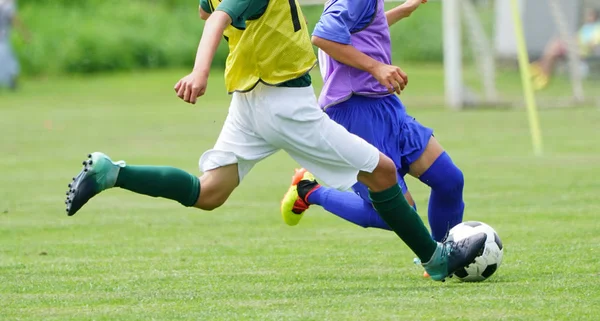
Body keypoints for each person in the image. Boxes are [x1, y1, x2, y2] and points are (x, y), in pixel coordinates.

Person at [64, 0, 485, 282]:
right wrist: (198, 71)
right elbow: (216, 19)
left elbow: (207, 10)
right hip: (286, 103)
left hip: (247, 104)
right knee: (383, 172)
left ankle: (112, 172)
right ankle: (436, 259)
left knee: (208, 192)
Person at [281, 0, 466, 278]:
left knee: (449, 180)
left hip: (386, 105)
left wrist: (400, 11)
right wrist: (376, 67)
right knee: (396, 212)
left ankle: (442, 255)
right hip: (354, 110)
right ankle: (308, 191)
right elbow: (323, 36)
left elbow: (358, 30)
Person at [530, 8, 600, 90]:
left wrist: (578, 44)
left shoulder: (596, 29)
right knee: (553, 52)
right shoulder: (586, 27)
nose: (587, 17)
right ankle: (543, 75)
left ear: (594, 17)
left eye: (590, 15)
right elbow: (577, 37)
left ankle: (541, 70)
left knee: (554, 47)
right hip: (575, 47)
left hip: (582, 51)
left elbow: (592, 44)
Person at [0, 0, 27, 91]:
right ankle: (12, 83)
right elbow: (14, 19)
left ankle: (12, 83)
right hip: (2, 39)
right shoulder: (7, 5)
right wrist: (24, 32)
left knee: (8, 61)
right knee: (8, 62)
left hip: (3, 38)